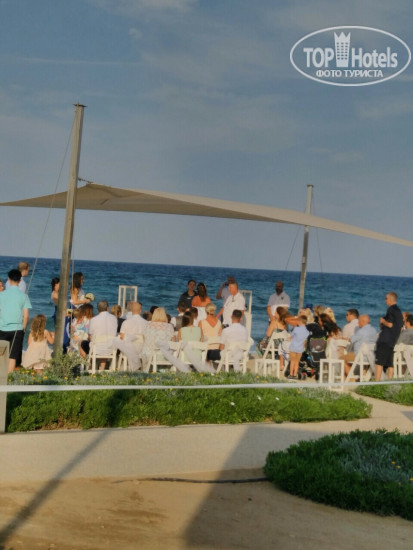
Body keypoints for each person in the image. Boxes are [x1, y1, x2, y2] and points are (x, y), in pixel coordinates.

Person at [0, 269, 32, 371]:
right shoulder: (24, 296)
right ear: (19, 280)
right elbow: (26, 316)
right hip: (17, 329)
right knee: (12, 356)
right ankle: (9, 377)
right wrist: (23, 328)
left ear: (9, 280)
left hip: (2, 328)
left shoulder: (1, 295)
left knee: (1, 354)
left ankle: (1, 375)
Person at [375, 292, 403, 381]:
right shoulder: (398, 311)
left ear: (391, 299)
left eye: (386, 298)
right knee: (389, 363)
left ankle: (377, 382)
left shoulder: (391, 309)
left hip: (385, 340)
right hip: (392, 340)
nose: (385, 300)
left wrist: (383, 321)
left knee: (379, 362)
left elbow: (390, 325)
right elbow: (400, 327)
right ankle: (389, 381)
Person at [81, 300, 117, 369]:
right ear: (107, 308)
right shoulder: (114, 319)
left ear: (98, 309)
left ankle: (90, 366)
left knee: (83, 343)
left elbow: (90, 336)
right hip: (110, 349)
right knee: (106, 342)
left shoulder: (94, 319)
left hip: (96, 349)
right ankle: (102, 368)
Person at [288, 315, 309, 380]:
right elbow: (304, 341)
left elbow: (291, 336)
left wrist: (288, 338)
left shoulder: (296, 329)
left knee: (292, 361)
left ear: (300, 322)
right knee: (297, 362)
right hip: (300, 349)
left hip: (293, 347)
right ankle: (295, 375)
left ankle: (291, 374)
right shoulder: (307, 331)